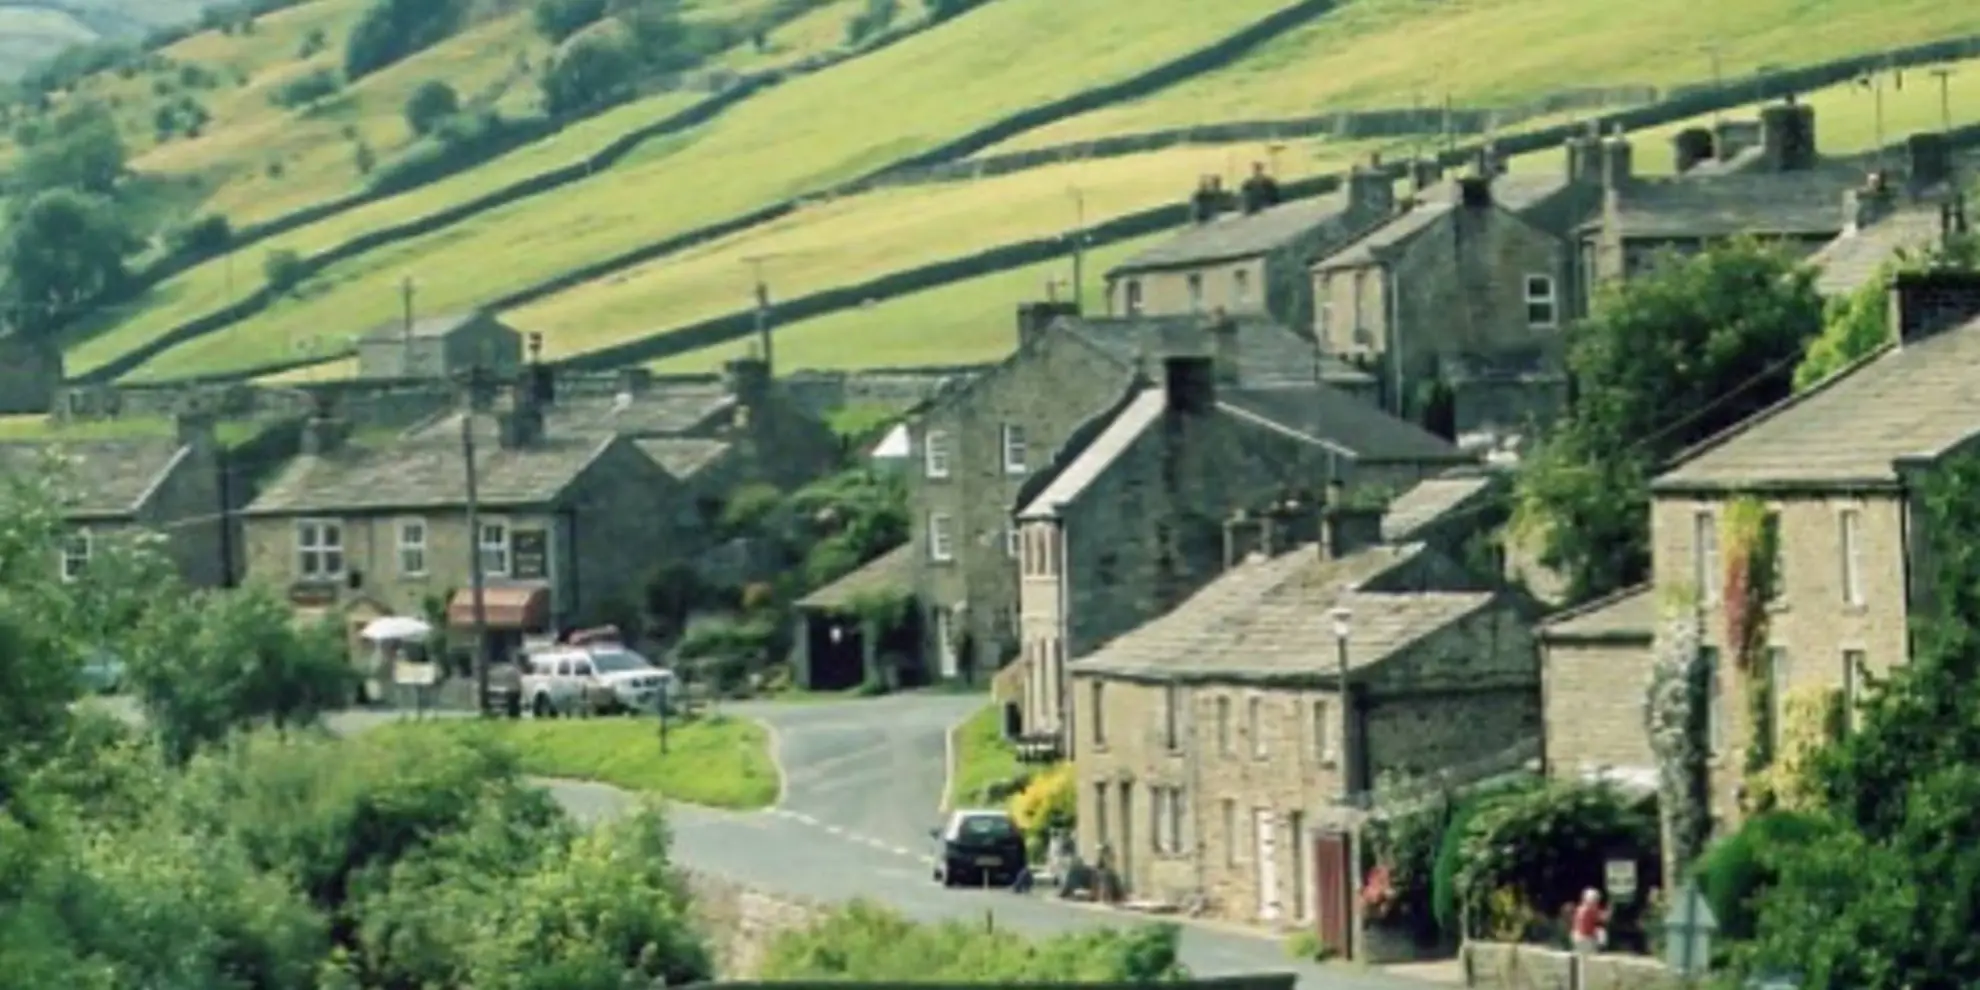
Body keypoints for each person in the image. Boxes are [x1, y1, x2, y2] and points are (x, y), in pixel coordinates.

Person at [1571, 888, 1607, 955]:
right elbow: (1603, 918)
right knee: (1601, 931)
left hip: (1577, 937)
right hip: (1585, 938)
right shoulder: (1590, 909)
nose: (1597, 902)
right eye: (1596, 900)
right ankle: (1601, 950)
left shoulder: (1579, 909)